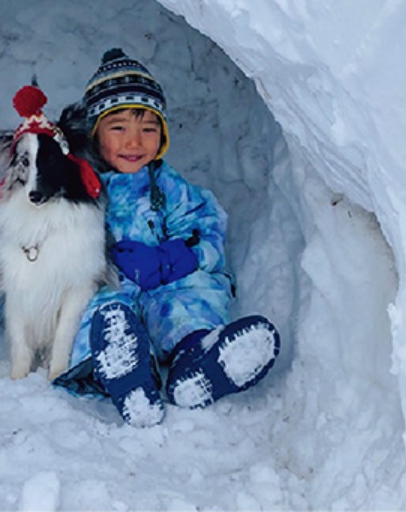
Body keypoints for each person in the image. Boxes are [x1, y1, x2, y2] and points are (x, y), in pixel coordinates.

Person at [50, 48, 282, 426]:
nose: (134, 142)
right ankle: (120, 371)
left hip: (163, 286)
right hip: (107, 288)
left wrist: (175, 259)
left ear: (163, 135)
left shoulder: (169, 186)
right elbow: (26, 236)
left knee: (193, 293)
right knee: (100, 311)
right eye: (119, 128)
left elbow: (205, 227)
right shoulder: (74, 184)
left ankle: (197, 359)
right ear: (94, 135)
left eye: (148, 128)